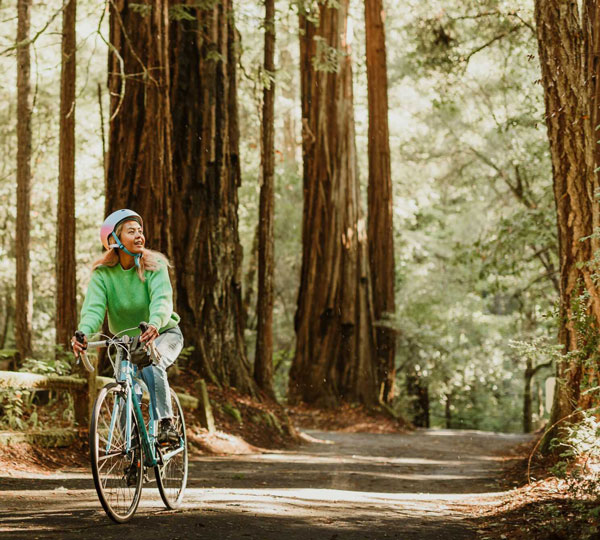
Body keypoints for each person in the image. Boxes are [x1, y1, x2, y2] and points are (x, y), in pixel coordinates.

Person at [71, 208, 183, 445]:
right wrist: (83, 334)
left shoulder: (155, 265)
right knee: (124, 387)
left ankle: (165, 424)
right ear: (114, 240)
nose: (139, 235)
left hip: (163, 333)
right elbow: (93, 309)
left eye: (140, 231)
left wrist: (155, 324)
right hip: (127, 341)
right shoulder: (103, 274)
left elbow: (162, 299)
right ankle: (130, 449)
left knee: (152, 363)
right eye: (131, 231)